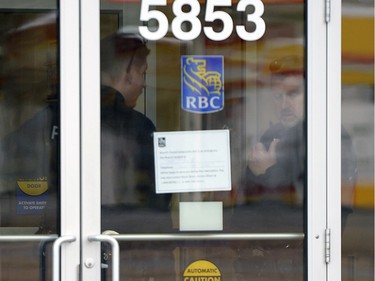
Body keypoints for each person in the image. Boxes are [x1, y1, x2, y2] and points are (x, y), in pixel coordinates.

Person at [100, 32, 174, 280]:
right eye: (143, 74)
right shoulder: (139, 127)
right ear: (129, 72)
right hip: (128, 254)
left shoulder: (57, 115)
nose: (143, 84)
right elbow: (159, 200)